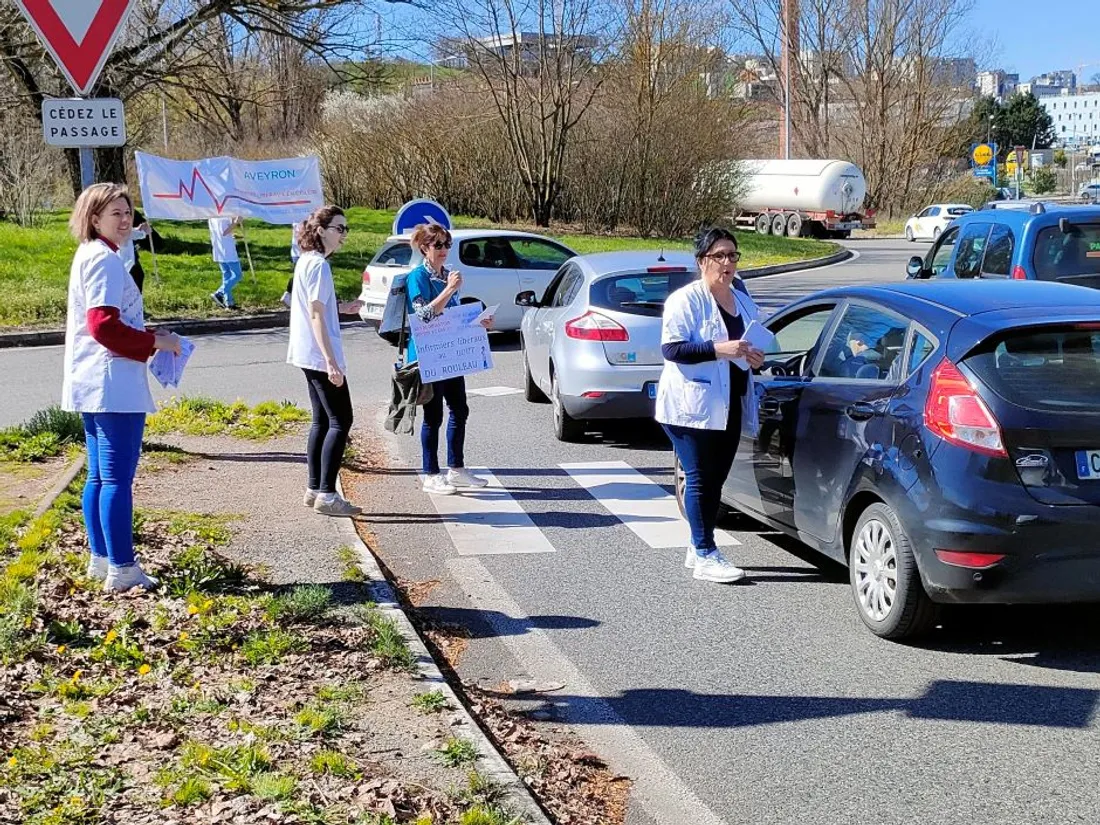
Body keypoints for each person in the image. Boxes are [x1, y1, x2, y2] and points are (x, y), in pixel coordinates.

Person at [61, 183, 182, 592]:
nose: (126, 219)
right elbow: (103, 327)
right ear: (94, 219)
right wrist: (155, 342)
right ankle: (123, 569)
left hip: (97, 380)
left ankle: (101, 558)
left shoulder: (93, 255)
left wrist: (147, 332)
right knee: (115, 480)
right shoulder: (104, 261)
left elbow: (110, 322)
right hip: (112, 383)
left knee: (99, 477)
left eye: (128, 212)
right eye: (116, 213)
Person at [655, 227, 764, 584]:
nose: (729, 263)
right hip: (690, 406)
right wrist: (720, 349)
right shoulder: (685, 301)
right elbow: (672, 350)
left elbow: (750, 341)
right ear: (703, 261)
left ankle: (696, 544)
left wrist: (754, 356)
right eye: (720, 256)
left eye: (733, 255)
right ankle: (705, 553)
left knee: (716, 479)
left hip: (729, 402)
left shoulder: (742, 299)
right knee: (700, 477)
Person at [405, 223, 493, 496]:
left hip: (452, 353)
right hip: (428, 355)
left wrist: (479, 322)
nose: (444, 250)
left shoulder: (446, 275)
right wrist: (449, 289)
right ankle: (430, 473)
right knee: (433, 416)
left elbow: (452, 318)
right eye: (438, 245)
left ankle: (456, 468)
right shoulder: (418, 277)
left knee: (460, 409)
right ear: (424, 248)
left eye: (447, 245)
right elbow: (424, 316)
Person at [287, 206, 364, 516]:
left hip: (306, 352)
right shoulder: (318, 266)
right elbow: (316, 314)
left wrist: (342, 307)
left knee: (321, 420)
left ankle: (314, 488)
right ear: (319, 230)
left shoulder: (306, 261)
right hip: (319, 354)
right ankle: (328, 496)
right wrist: (331, 362)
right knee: (341, 420)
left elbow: (315, 307)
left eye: (345, 229)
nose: (343, 235)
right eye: (338, 228)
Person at [208, 215, 243, 309]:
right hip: (228, 251)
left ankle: (229, 302)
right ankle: (219, 293)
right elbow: (224, 232)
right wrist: (236, 222)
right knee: (238, 275)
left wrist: (233, 235)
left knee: (226, 275)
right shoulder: (223, 216)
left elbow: (222, 233)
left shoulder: (211, 216)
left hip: (218, 249)